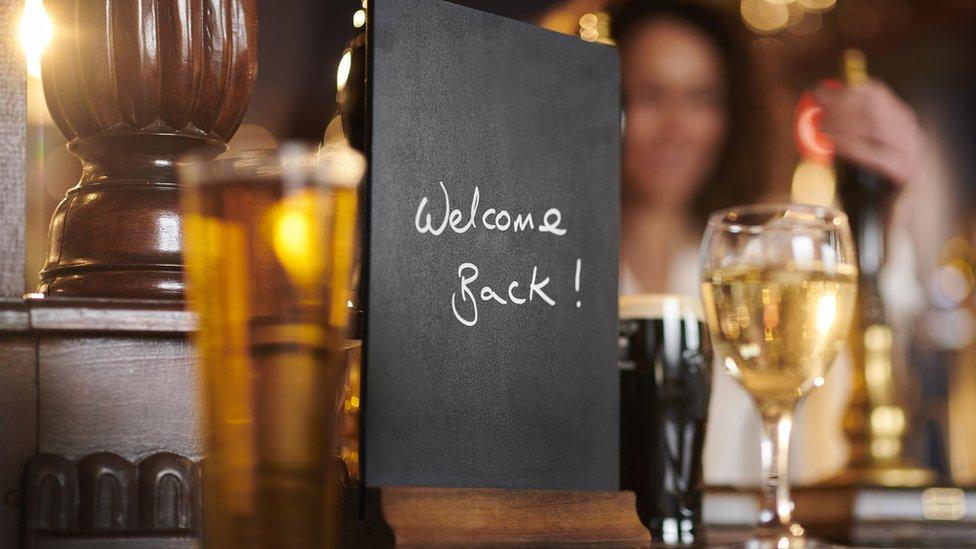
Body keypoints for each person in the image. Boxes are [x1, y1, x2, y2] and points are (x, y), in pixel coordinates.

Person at [609, 0, 925, 485]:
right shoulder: (557, 271)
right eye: (650, 93)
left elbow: (872, 300)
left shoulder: (753, 261)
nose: (678, 127)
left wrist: (882, 202)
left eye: (702, 98)